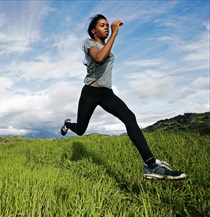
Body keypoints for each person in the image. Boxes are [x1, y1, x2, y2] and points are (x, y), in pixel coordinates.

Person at [60, 14, 186, 180]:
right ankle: (68, 124)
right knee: (81, 130)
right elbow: (99, 58)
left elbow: (105, 56)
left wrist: (111, 36)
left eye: (107, 25)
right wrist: (114, 34)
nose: (106, 27)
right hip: (90, 92)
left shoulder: (106, 46)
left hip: (106, 93)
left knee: (129, 117)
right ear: (93, 30)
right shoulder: (89, 42)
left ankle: (151, 164)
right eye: (102, 25)